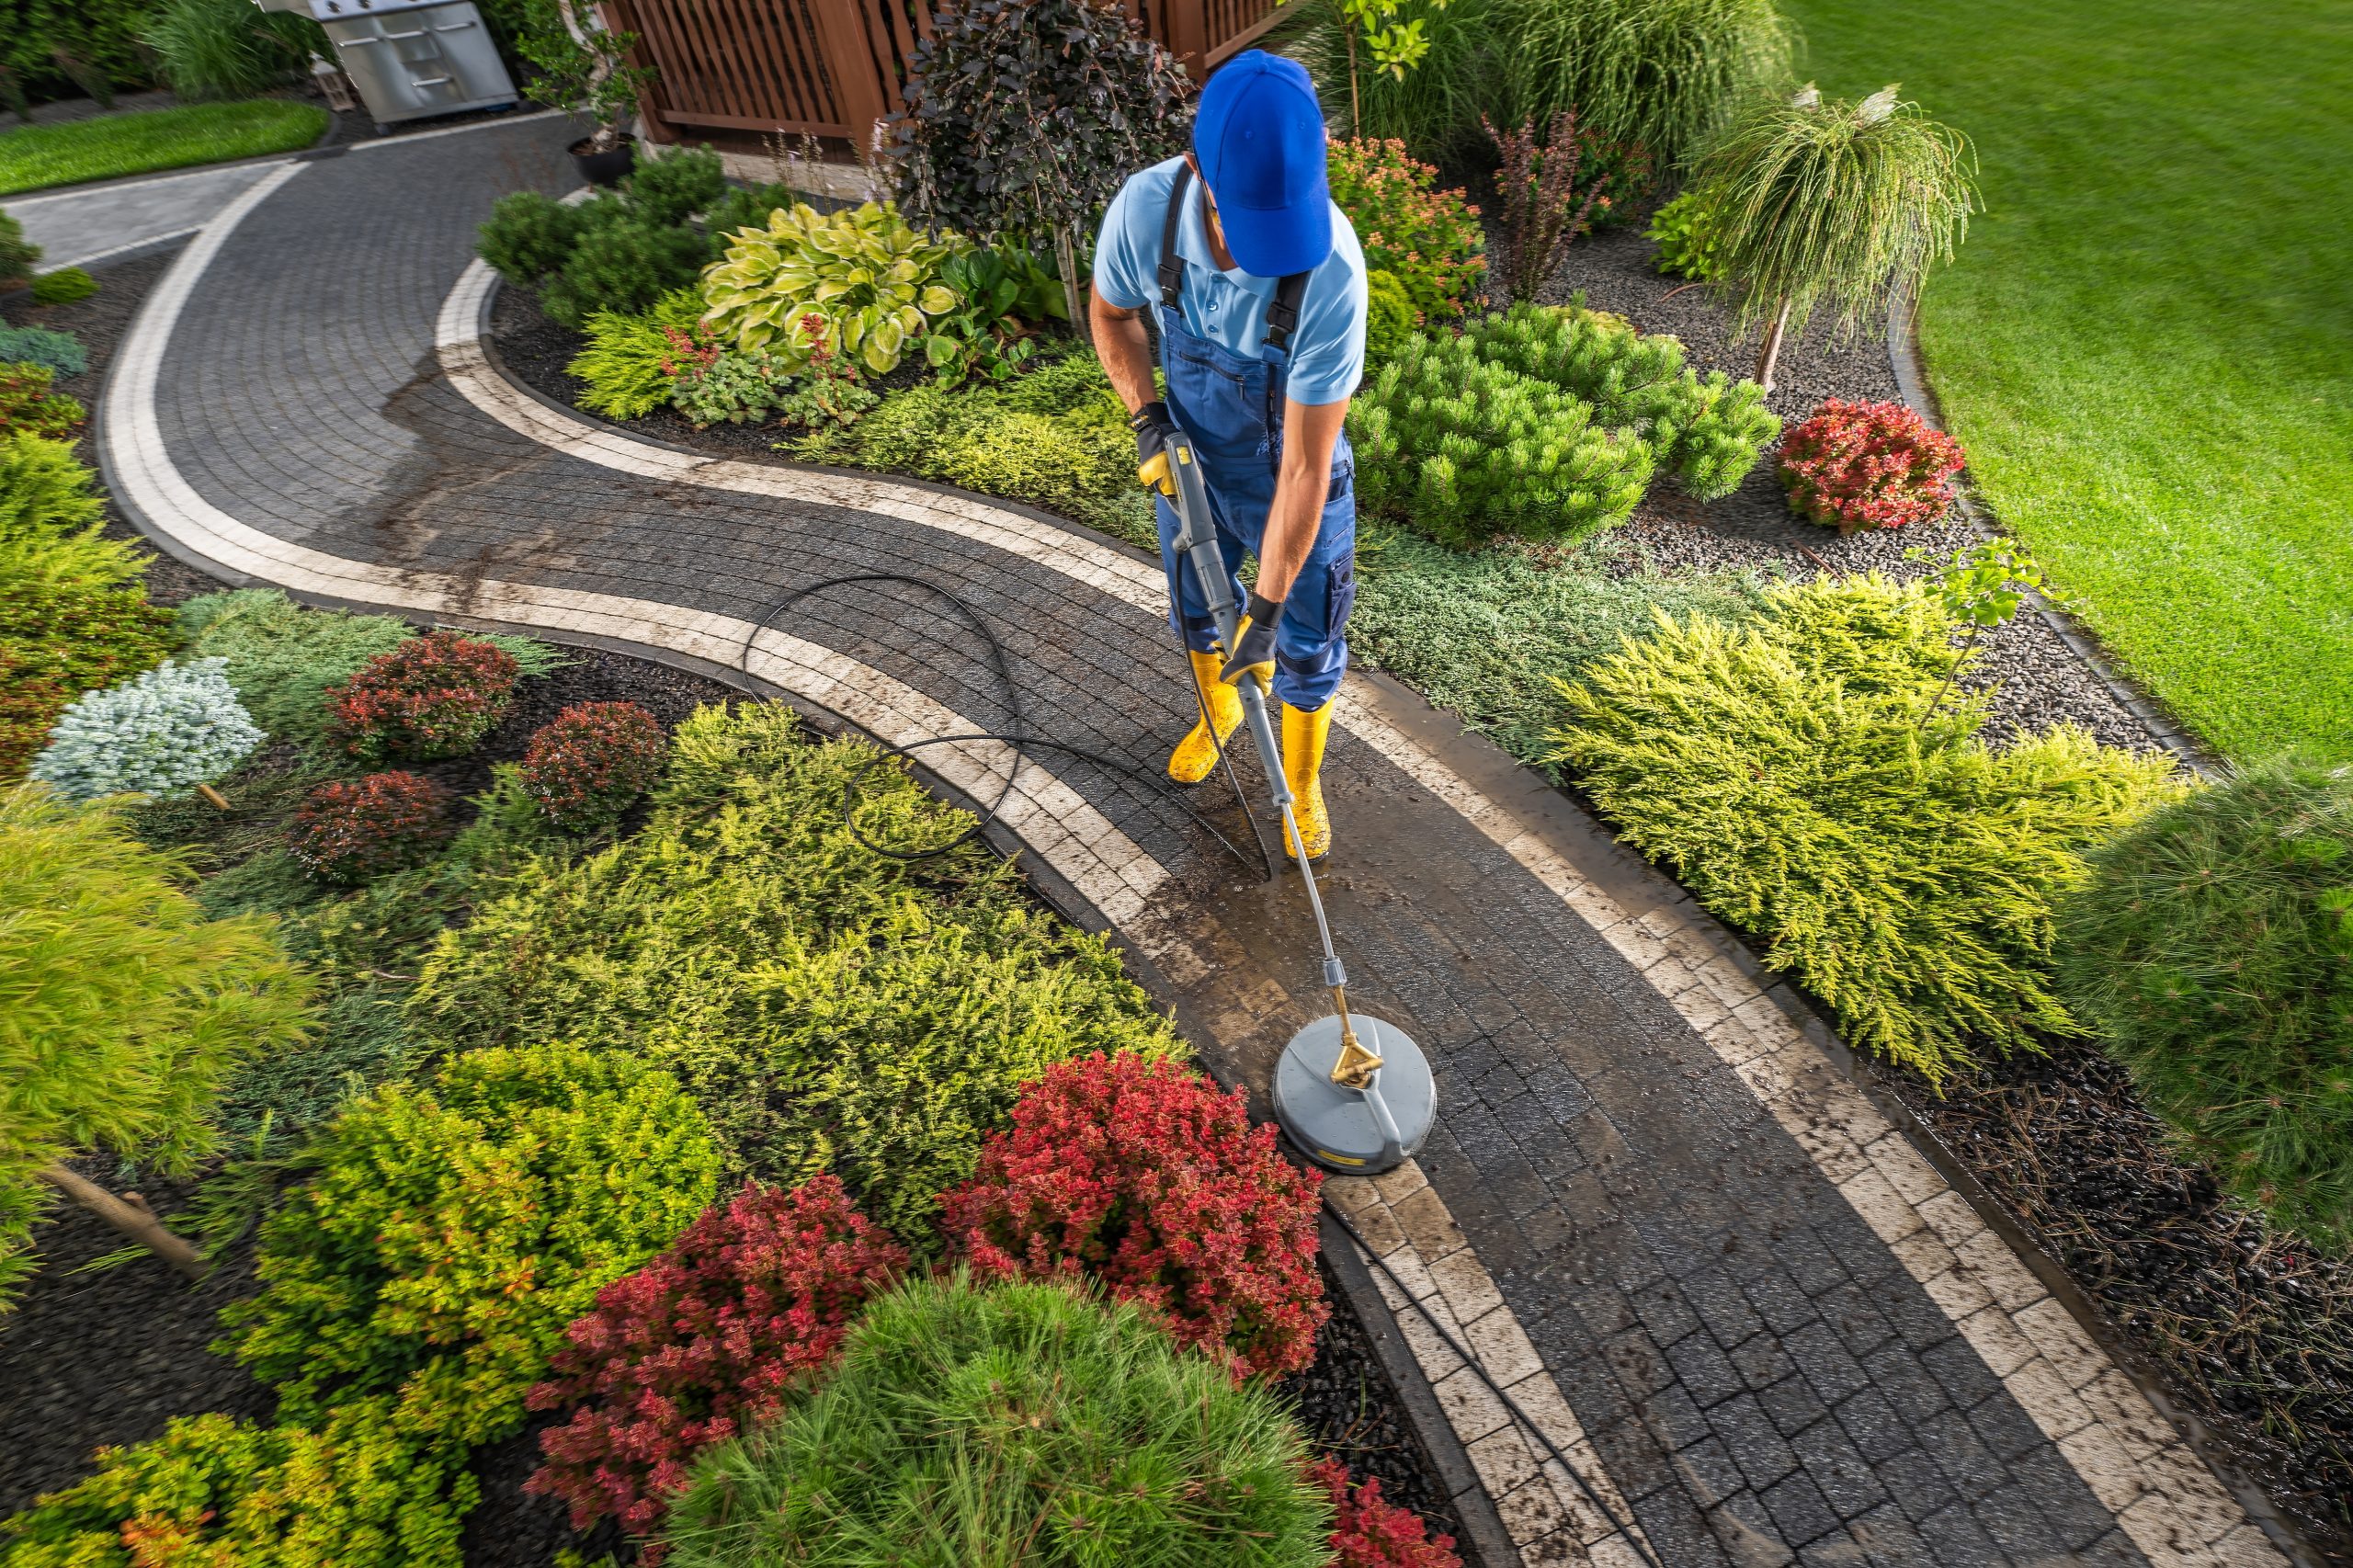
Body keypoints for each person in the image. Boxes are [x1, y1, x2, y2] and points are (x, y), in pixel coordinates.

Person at [1089, 50, 1369, 861]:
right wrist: (1148, 418)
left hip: (1289, 465)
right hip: (1193, 458)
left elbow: (1307, 470)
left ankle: (1304, 779)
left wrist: (1270, 609)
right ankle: (1216, 716)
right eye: (1248, 227)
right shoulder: (1146, 211)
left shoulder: (1332, 272)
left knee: (1307, 639)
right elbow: (1113, 319)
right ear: (1197, 171)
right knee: (1197, 607)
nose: (1264, 257)